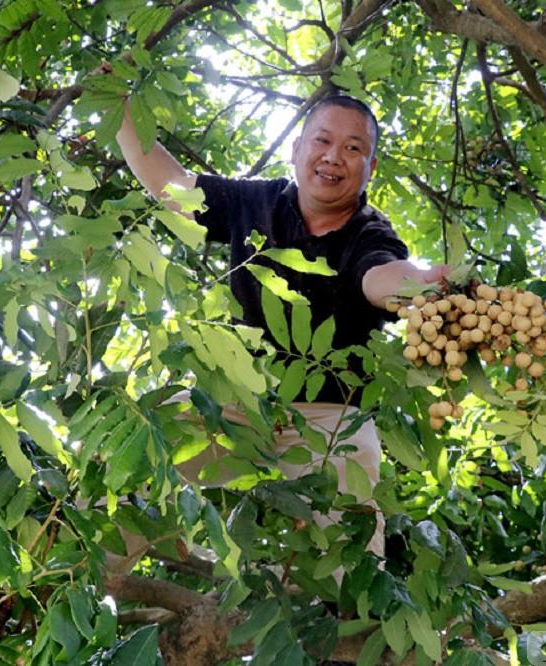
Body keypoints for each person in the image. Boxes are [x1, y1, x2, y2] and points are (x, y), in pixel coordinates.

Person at [114, 93, 448, 571]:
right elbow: (174, 187)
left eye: (354, 149)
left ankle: (348, 620)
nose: (334, 156)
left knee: (352, 542)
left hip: (329, 417)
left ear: (370, 168)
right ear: (297, 149)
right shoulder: (254, 203)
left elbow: (381, 276)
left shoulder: (372, 233)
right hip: (239, 404)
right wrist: (122, 109)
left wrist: (422, 288)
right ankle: (76, 579)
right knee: (135, 449)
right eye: (324, 140)